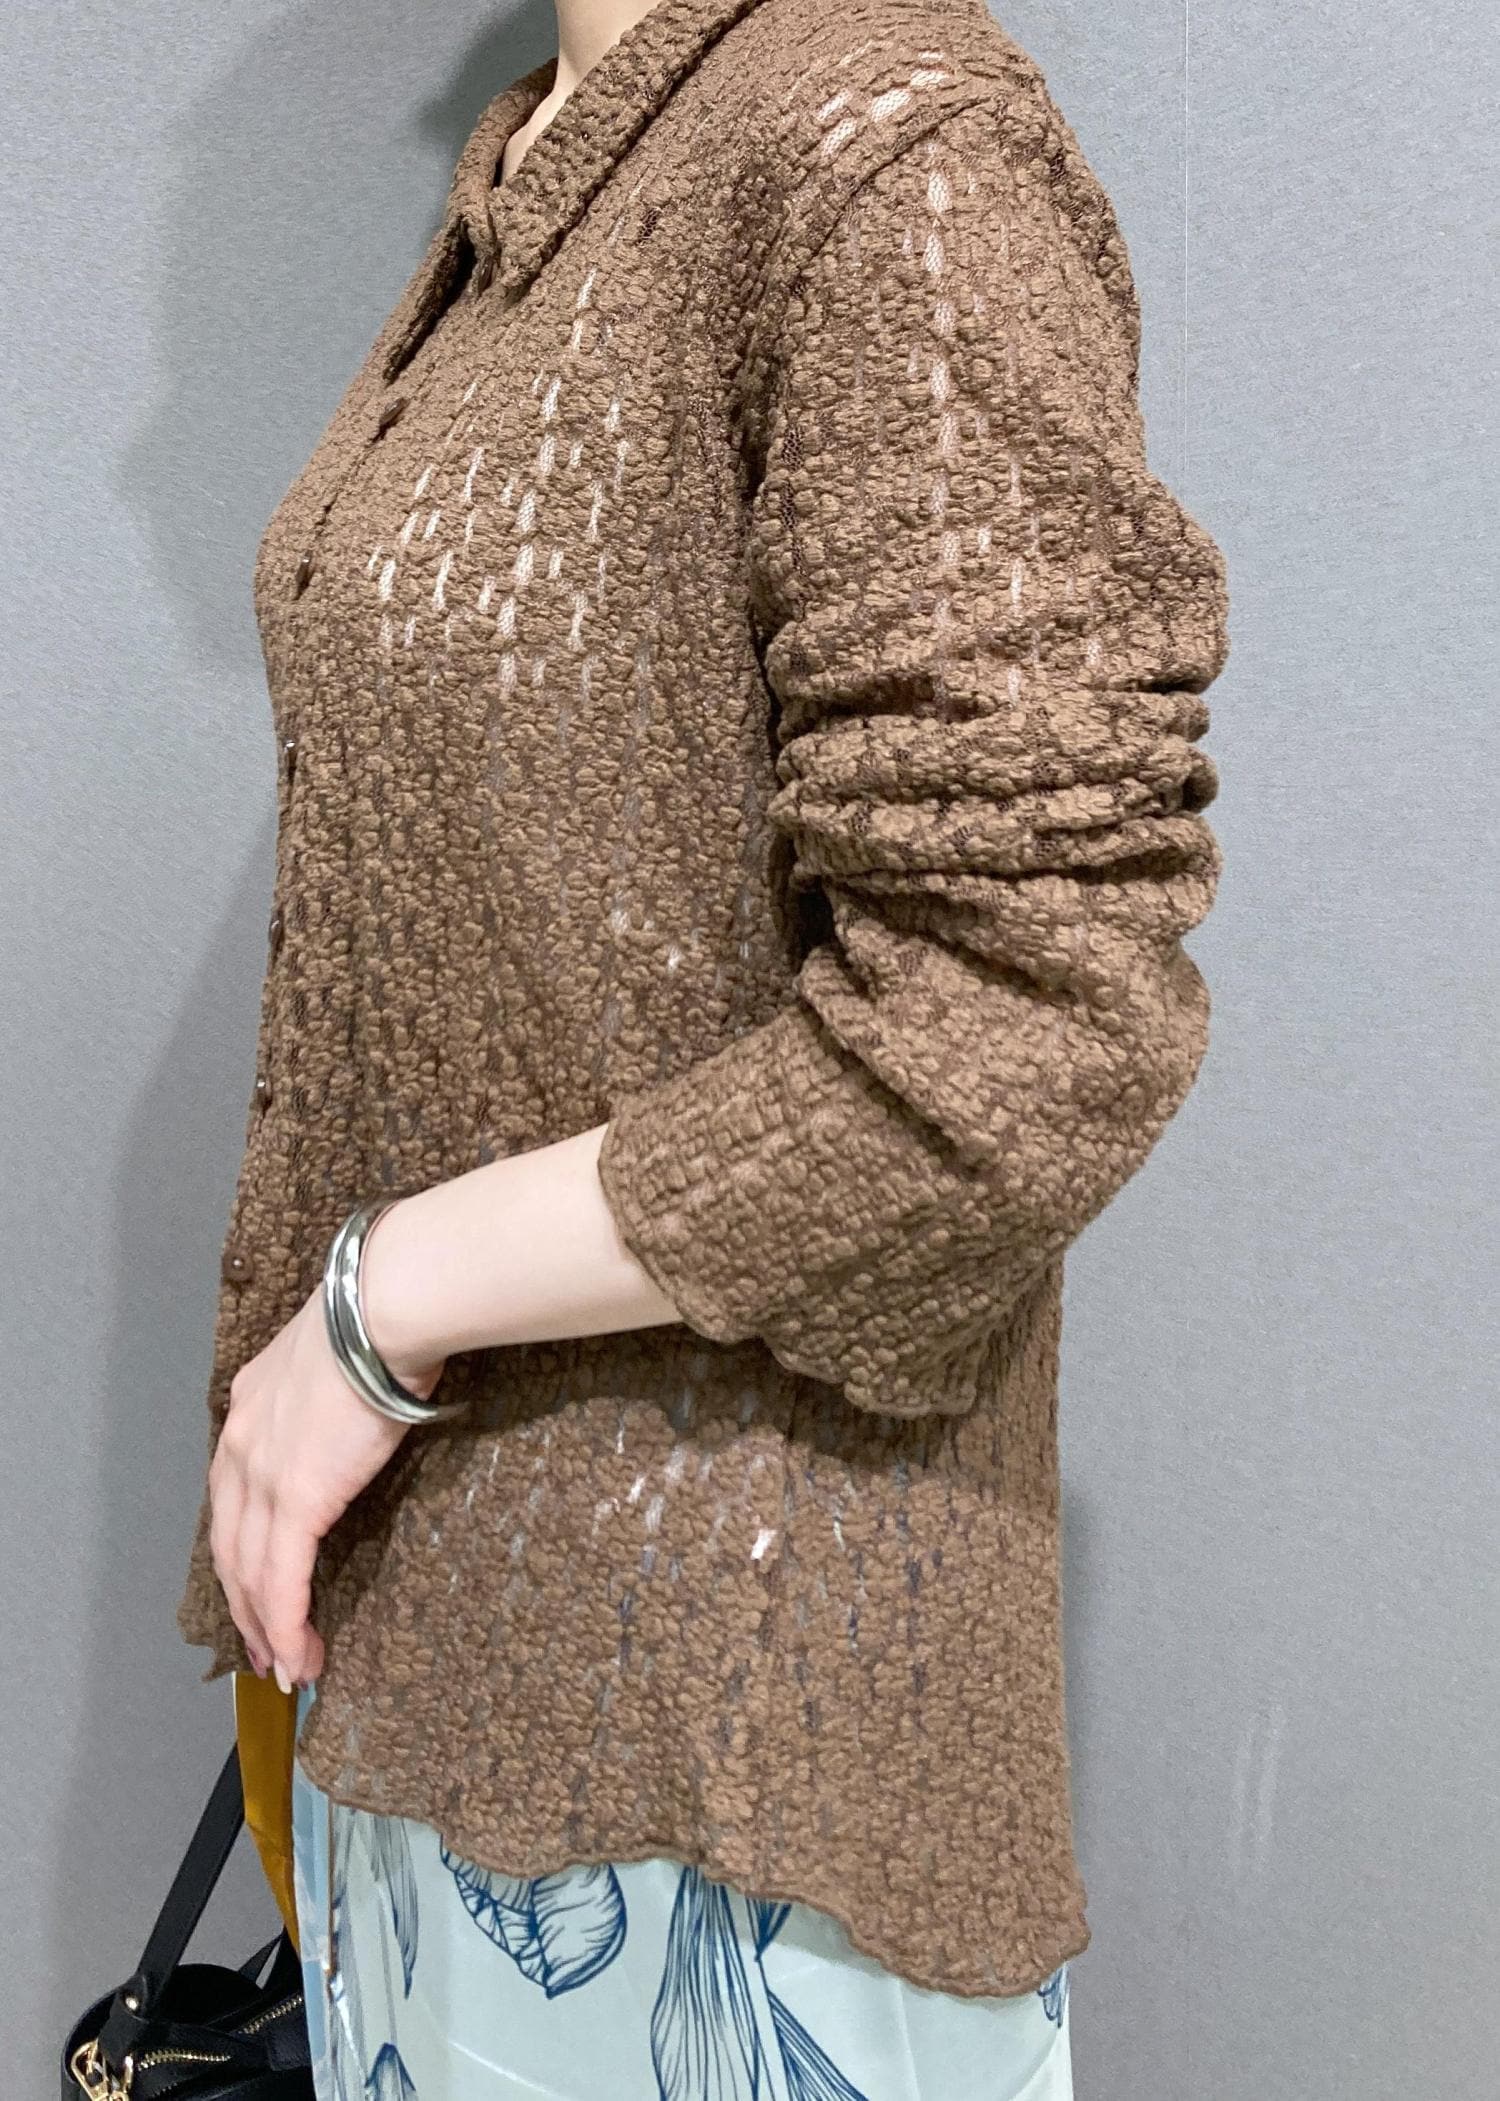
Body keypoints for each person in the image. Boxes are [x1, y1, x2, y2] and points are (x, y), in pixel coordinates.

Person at [176, 0, 1230, 2092]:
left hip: (724, 1798)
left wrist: (379, 1307)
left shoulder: (886, 145)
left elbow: (1022, 1022)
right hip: (446, 1729)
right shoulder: (552, 168)